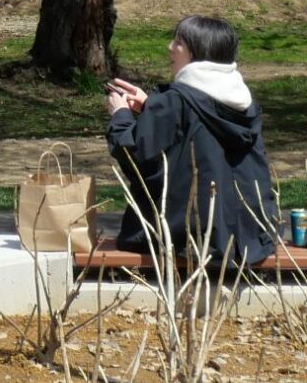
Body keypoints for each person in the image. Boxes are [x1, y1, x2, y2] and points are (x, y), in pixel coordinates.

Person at [105, 14, 279, 272]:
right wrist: (151, 106)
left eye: (178, 42)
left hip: (189, 238)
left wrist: (120, 115)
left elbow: (134, 153)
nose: (170, 48)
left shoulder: (175, 102)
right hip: (249, 238)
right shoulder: (244, 104)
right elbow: (199, 127)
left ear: (198, 53)